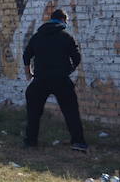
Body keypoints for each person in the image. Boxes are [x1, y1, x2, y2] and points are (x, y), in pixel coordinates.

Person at [23, 8, 88, 152]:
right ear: (63, 20)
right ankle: (78, 142)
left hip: (40, 80)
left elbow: (26, 55)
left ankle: (30, 141)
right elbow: (76, 58)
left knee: (33, 113)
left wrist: (29, 73)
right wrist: (69, 70)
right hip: (61, 80)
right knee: (71, 112)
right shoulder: (66, 36)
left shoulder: (37, 36)